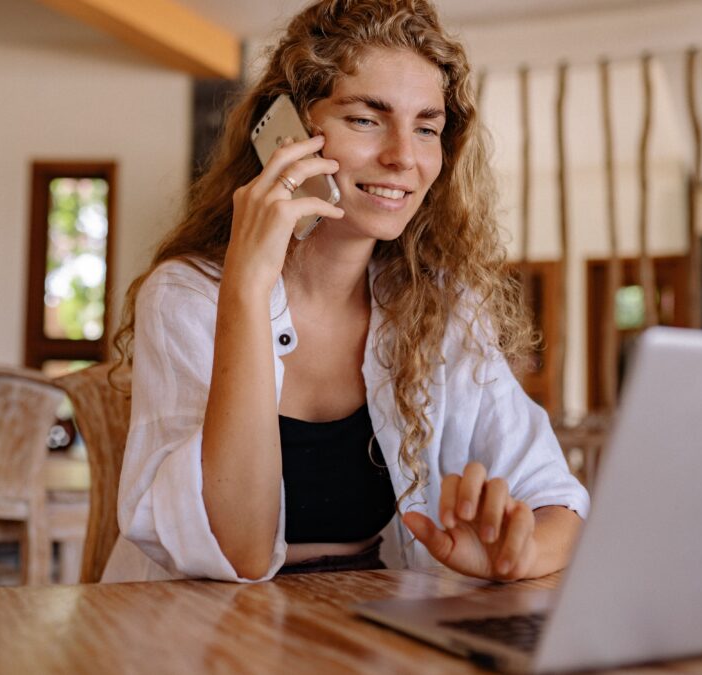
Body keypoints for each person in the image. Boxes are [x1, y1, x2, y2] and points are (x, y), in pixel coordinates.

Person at [102, 0, 589, 584]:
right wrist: (247, 287)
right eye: (365, 118)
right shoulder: (187, 295)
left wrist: (520, 554)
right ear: (285, 130)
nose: (403, 157)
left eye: (427, 128)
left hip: (367, 621)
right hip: (199, 629)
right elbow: (242, 553)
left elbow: (559, 504)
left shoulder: (441, 305)